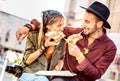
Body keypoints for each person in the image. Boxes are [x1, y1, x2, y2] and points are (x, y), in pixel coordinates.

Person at [16, 1, 117, 81]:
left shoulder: (110, 47)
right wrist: (30, 26)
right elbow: (51, 26)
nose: (82, 25)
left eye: (87, 22)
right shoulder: (76, 33)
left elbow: (96, 75)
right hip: (63, 78)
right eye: (83, 20)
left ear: (99, 24)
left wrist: (80, 56)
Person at [16, 10, 66, 81]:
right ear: (48, 26)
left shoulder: (62, 41)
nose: (62, 28)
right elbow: (27, 61)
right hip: (29, 73)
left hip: (46, 77)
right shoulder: (34, 35)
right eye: (59, 25)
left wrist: (56, 69)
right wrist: (44, 46)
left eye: (63, 25)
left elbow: (61, 59)